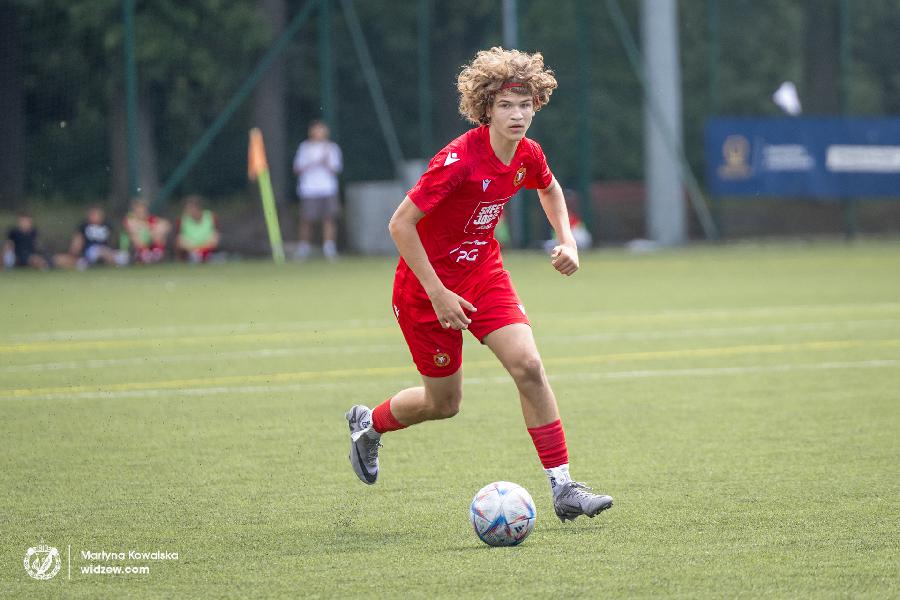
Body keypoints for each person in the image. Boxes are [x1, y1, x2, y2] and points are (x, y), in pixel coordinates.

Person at [345, 47, 613, 522]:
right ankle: (370, 424)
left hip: (484, 275)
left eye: (525, 104)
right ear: (486, 108)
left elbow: (549, 188)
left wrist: (568, 241)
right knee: (443, 403)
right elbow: (400, 225)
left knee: (529, 366)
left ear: (537, 105)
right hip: (425, 290)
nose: (517, 114)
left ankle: (564, 487)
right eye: (506, 105)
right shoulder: (458, 160)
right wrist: (438, 294)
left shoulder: (528, 154)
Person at [292, 120, 342, 261]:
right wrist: (311, 162)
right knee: (306, 219)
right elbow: (297, 168)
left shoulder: (332, 148)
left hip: (327, 189)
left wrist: (325, 161)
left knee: (329, 219)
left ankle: (329, 248)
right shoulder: (304, 148)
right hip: (309, 189)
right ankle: (304, 248)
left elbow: (336, 169)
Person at [55, 205, 125, 269]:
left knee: (116, 254)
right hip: (90, 251)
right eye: (93, 214)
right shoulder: (84, 226)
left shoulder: (107, 225)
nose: (96, 217)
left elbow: (114, 239)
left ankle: (99, 263)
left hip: (106, 250)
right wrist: (74, 251)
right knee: (100, 251)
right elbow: (77, 241)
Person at [123, 198, 170, 264]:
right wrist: (148, 228)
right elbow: (132, 226)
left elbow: (166, 225)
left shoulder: (149, 219)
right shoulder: (130, 218)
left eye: (143, 209)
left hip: (149, 244)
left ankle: (155, 253)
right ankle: (143, 254)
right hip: (129, 250)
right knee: (135, 234)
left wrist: (154, 230)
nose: (141, 211)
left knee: (159, 231)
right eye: (138, 209)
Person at [175, 195, 220, 263]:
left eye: (190, 208)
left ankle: (204, 255)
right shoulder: (182, 219)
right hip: (191, 248)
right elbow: (179, 238)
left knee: (214, 238)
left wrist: (204, 247)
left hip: (207, 246)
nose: (187, 211)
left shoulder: (211, 216)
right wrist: (194, 248)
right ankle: (196, 256)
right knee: (181, 241)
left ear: (197, 208)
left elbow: (216, 234)